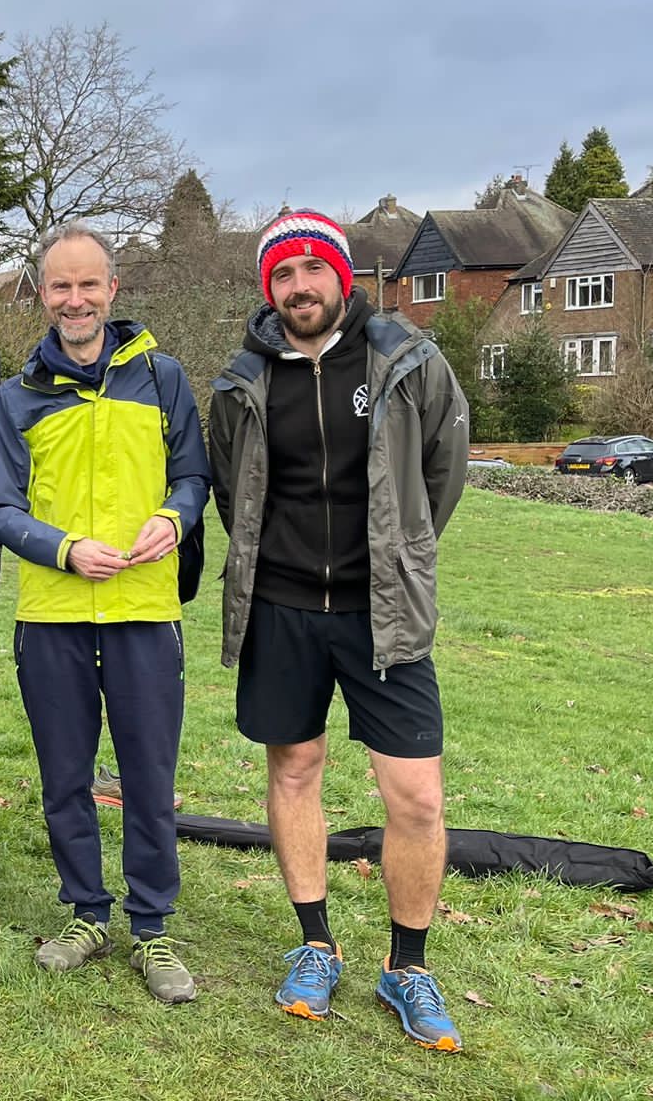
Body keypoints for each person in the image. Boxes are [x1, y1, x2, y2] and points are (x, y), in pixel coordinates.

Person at [209, 210, 469, 1050]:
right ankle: (317, 942)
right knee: (295, 770)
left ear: (342, 275)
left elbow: (441, 475)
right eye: (283, 276)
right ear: (268, 288)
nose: (300, 287)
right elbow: (231, 491)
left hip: (380, 612)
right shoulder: (240, 379)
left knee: (416, 796)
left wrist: (399, 557)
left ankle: (409, 966)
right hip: (282, 609)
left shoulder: (408, 361)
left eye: (313, 270)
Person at [0, 223, 209, 1003]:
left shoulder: (164, 376)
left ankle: (153, 927)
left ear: (113, 291)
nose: (74, 299)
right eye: (59, 286)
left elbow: (193, 478)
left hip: (145, 609)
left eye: (89, 285)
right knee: (64, 776)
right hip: (52, 615)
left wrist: (174, 520)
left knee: (149, 775)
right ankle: (85, 911)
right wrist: (64, 549)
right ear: (42, 295)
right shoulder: (17, 396)